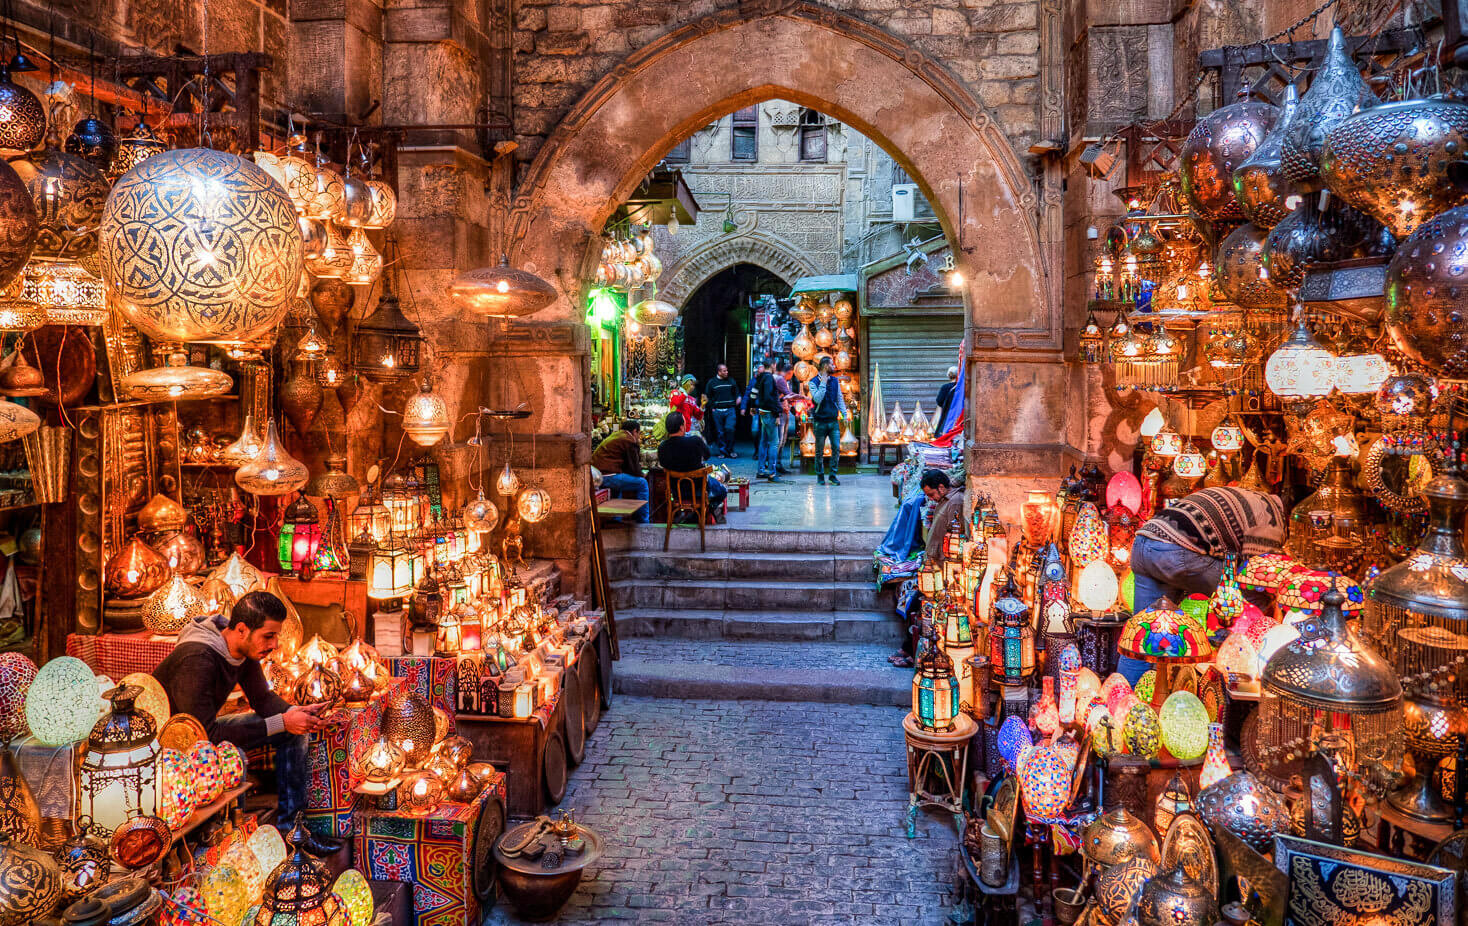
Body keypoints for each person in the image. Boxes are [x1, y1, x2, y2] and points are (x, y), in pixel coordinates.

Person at [153, 591, 337, 855]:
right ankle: (227, 843)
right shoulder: (197, 659)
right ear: (241, 629)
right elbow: (206, 736)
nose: (274, 645)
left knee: (295, 731)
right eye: (269, 636)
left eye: (276, 636)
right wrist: (283, 722)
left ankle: (292, 830)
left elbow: (262, 700)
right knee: (234, 756)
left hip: (205, 731)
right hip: (172, 748)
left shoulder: (243, 648)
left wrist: (296, 712)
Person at [1118, 485, 1285, 684]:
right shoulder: (1271, 515)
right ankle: (1239, 658)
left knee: (1142, 637)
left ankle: (1127, 703)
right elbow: (1256, 573)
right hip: (1173, 550)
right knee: (1245, 597)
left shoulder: (1248, 497)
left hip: (1144, 543)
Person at [657, 410, 727, 517]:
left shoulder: (662, 447)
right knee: (723, 490)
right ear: (681, 427)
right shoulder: (695, 441)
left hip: (676, 492)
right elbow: (707, 455)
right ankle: (701, 512)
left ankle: (694, 514)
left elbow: (663, 464)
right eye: (685, 424)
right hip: (698, 490)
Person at [591, 420, 650, 522]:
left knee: (620, 486)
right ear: (635, 431)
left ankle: (616, 520)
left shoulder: (617, 435)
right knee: (642, 483)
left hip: (599, 475)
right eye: (639, 433)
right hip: (607, 476)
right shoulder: (629, 440)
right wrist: (641, 474)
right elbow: (634, 466)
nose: (638, 436)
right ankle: (643, 521)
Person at [807, 356, 848, 486]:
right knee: (819, 451)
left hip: (833, 421)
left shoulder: (835, 381)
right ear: (825, 366)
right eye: (831, 364)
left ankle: (833, 475)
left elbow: (839, 399)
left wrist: (844, 414)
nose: (834, 366)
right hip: (820, 421)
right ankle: (820, 476)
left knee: (836, 448)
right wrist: (823, 382)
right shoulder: (813, 382)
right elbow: (818, 399)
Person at [703, 364, 742, 459]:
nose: (726, 372)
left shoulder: (731, 381)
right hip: (717, 411)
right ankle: (722, 451)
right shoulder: (712, 382)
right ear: (719, 372)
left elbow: (737, 392)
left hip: (730, 409)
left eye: (727, 370)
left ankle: (731, 450)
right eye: (724, 371)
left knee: (730, 429)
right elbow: (707, 396)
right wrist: (711, 407)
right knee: (720, 432)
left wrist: (739, 397)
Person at [754, 363, 784, 482]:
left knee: (764, 441)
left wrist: (753, 406)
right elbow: (769, 397)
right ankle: (772, 473)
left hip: (762, 412)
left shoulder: (760, 377)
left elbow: (753, 392)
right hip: (769, 413)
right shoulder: (769, 378)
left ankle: (761, 470)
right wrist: (776, 413)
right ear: (772, 365)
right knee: (774, 443)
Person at [772, 361, 796, 476]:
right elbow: (788, 394)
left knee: (782, 440)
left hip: (784, 412)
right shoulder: (781, 380)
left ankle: (778, 464)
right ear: (789, 373)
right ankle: (775, 466)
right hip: (780, 413)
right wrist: (801, 397)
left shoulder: (784, 381)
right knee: (779, 441)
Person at [935, 366, 958, 434]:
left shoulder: (945, 387)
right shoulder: (961, 387)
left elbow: (939, 401)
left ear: (948, 375)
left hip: (947, 412)